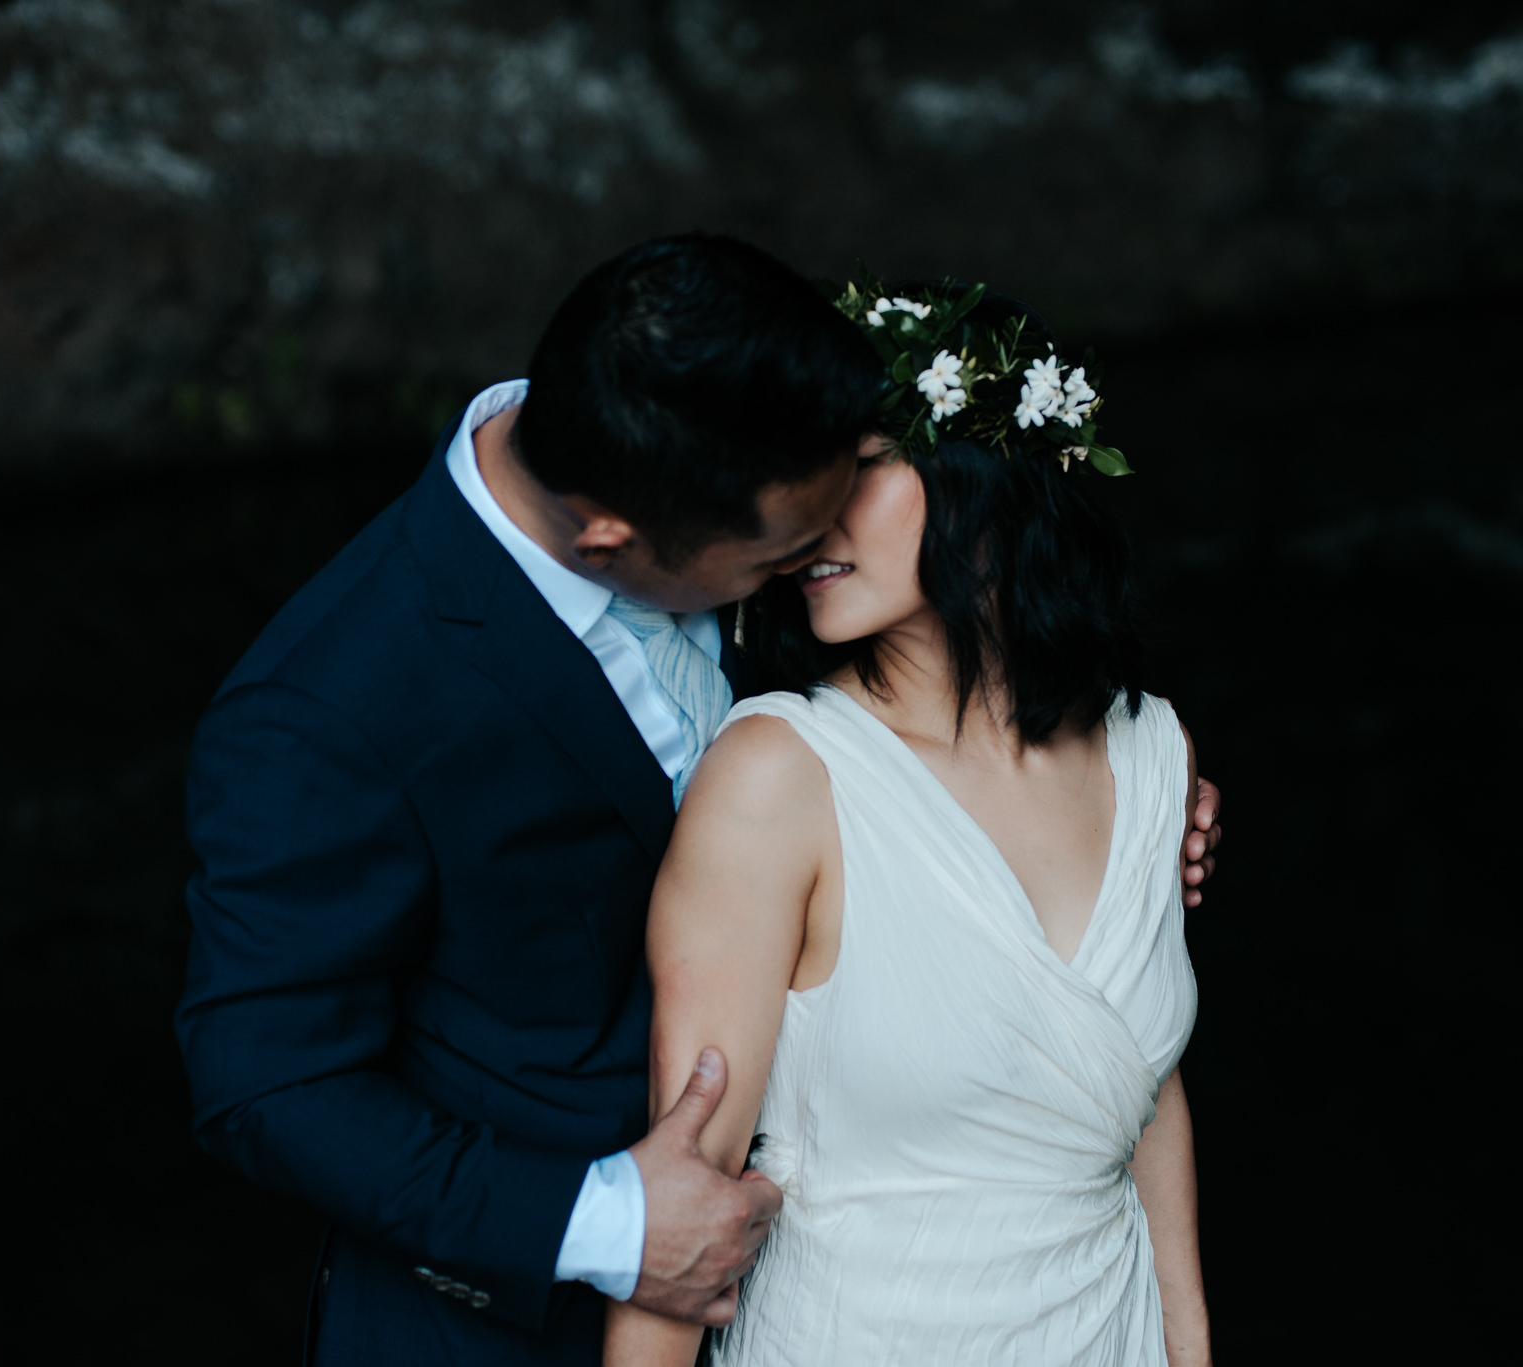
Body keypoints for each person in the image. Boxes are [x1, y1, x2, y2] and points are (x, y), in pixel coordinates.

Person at [176, 239, 1223, 1367]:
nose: (815, 549)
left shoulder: (706, 413)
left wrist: (1090, 834)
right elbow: (267, 1081)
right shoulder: (328, 705)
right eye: (781, 545)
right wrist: (608, 1222)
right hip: (519, 1324)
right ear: (611, 541)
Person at [606, 284, 1209, 1366]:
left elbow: (1137, 1089)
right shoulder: (776, 779)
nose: (806, 520)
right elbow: (678, 1208)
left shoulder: (1151, 749)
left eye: (861, 464)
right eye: (798, 479)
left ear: (982, 475)